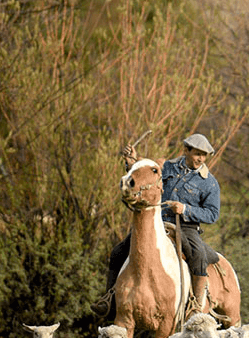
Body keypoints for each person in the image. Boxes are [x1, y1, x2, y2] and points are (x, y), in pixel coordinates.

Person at [91, 133, 221, 317]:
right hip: (155, 222)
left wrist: (185, 209)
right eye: (197, 153)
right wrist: (132, 161)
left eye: (204, 155)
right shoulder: (166, 167)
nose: (200, 158)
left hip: (186, 228)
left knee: (198, 254)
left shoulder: (210, 183)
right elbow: (144, 175)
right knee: (118, 251)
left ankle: (195, 306)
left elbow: (213, 214)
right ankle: (109, 299)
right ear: (186, 151)